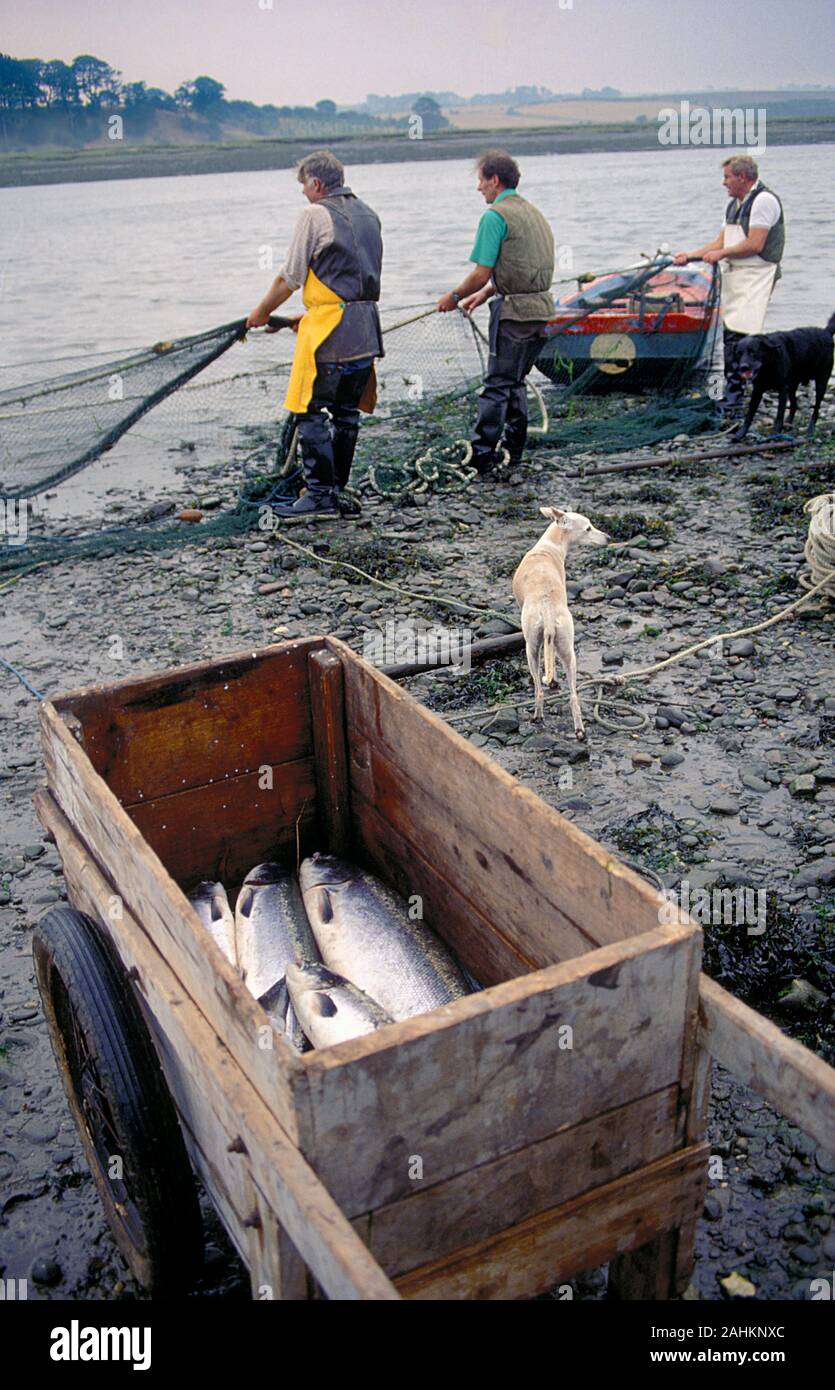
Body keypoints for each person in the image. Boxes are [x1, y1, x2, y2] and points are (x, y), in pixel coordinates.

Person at [246, 150, 384, 518]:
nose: (303, 194)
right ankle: (336, 487)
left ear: (317, 184)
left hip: (330, 335)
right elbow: (348, 282)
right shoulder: (369, 213)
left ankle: (319, 495)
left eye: (303, 186)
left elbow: (289, 277)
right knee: (346, 412)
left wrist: (260, 313)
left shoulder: (314, 214)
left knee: (309, 411)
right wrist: (303, 316)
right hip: (366, 330)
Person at [437, 149, 555, 475]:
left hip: (514, 314)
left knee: (497, 385)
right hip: (541, 311)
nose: (479, 189)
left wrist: (455, 296)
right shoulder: (533, 212)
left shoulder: (495, 215)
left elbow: (481, 271)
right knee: (515, 381)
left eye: (481, 181)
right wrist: (485, 294)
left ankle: (482, 457)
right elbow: (520, 267)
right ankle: (513, 453)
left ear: (494, 179)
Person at [673, 155, 785, 422]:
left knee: (743, 335)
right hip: (738, 275)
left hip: (759, 274)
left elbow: (755, 244)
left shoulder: (764, 201)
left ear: (743, 177)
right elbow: (720, 241)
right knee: (731, 333)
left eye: (727, 177)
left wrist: (721, 253)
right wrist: (691, 255)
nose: (724, 183)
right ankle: (739, 389)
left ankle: (737, 394)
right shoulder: (734, 205)